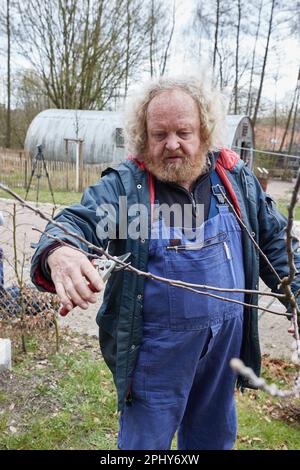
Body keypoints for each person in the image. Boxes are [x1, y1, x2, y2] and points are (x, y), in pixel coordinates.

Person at [31, 76, 300, 450]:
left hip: (223, 353)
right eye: (159, 134)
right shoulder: (130, 190)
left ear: (204, 131)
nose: (172, 144)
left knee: (213, 440)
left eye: (183, 132)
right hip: (155, 360)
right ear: (143, 137)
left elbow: (273, 243)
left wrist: (297, 295)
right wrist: (60, 251)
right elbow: (78, 222)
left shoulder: (234, 179)